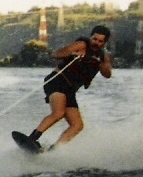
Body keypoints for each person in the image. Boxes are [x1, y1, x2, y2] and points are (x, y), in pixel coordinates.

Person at [23, 24, 113, 152]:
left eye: (100, 41)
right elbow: (57, 54)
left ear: (104, 43)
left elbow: (107, 74)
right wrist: (72, 54)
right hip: (57, 81)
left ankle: (55, 149)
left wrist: (102, 63)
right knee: (59, 113)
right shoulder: (81, 45)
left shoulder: (103, 56)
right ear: (90, 37)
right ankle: (32, 138)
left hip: (70, 90)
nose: (96, 43)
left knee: (77, 125)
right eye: (94, 39)